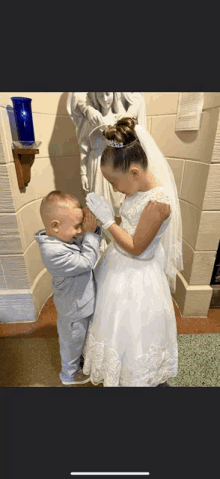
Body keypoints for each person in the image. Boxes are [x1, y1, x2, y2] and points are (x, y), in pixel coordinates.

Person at [82, 117, 184, 387]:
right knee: (112, 323)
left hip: (138, 271)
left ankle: (134, 374)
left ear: (135, 172)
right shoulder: (136, 189)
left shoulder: (158, 204)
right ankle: (116, 368)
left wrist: (107, 222)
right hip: (118, 263)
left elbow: (137, 248)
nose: (115, 189)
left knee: (135, 329)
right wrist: (112, 216)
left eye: (115, 182)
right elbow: (130, 224)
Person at [34, 190, 102, 385]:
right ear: (55, 226)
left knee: (79, 340)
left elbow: (81, 243)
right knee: (71, 343)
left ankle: (78, 361)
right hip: (73, 310)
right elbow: (87, 261)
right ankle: (68, 375)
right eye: (77, 226)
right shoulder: (52, 252)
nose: (80, 231)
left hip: (80, 303)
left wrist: (91, 227)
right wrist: (89, 234)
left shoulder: (62, 237)